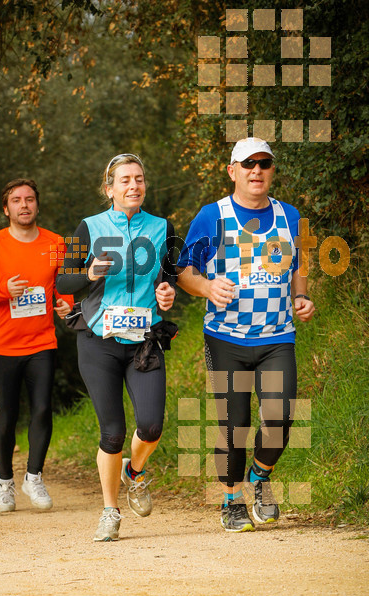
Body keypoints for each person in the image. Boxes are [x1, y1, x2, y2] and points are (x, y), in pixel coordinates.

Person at [177, 138, 315, 532]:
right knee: (233, 424)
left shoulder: (291, 216)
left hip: (277, 337)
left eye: (264, 164)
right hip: (226, 337)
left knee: (281, 415)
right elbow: (184, 270)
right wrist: (206, 288)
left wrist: (301, 297)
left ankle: (259, 477)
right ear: (232, 170)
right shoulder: (211, 216)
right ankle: (231, 498)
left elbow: (300, 266)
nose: (257, 171)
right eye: (248, 164)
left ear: (272, 170)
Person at [56, 153, 177, 542]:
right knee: (112, 432)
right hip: (98, 342)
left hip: (144, 340)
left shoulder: (162, 227)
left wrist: (167, 293)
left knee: (152, 426)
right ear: (109, 188)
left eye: (139, 179)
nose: (133, 186)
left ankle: (135, 472)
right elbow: (63, 281)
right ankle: (110, 510)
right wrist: (88, 272)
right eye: (124, 180)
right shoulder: (89, 228)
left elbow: (171, 278)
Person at [0, 178, 73, 513]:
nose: (24, 205)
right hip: (4, 345)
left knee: (41, 409)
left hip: (42, 340)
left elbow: (62, 283)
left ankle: (34, 477)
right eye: (16, 200)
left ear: (37, 205)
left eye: (29, 199)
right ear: (6, 208)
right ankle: (5, 484)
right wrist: (1, 292)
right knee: (6, 416)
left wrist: (65, 304)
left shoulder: (57, 243)